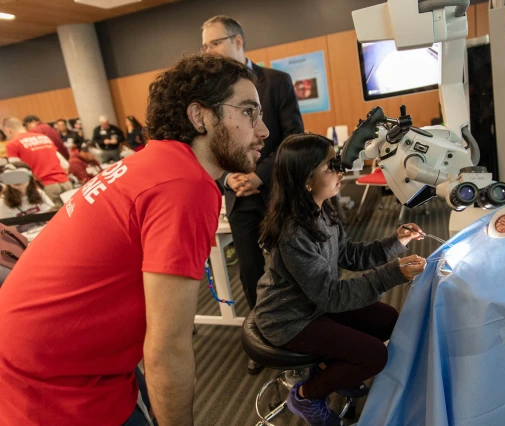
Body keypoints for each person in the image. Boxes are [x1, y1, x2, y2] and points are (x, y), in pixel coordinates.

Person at [0, 53, 268, 426]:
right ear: (200, 116)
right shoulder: (186, 184)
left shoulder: (152, 162)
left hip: (35, 361)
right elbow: (167, 350)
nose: (263, 130)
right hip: (57, 389)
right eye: (249, 112)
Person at [254, 133, 427, 426]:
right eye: (331, 165)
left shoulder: (322, 210)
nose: (341, 170)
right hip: (288, 319)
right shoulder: (294, 232)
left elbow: (349, 254)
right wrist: (393, 273)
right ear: (306, 179)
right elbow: (331, 296)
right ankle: (306, 396)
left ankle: (332, 370)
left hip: (314, 304)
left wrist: (396, 241)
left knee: (387, 319)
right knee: (374, 355)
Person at [202, 15, 304, 374]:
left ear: (238, 41)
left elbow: (294, 142)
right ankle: (262, 337)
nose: (208, 51)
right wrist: (228, 179)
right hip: (239, 196)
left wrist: (259, 175)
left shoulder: (276, 82)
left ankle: (302, 331)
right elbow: (207, 148)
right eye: (205, 45)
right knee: (250, 269)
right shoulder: (209, 97)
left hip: (276, 192)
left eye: (213, 43)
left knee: (293, 264)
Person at [2, 117, 72, 208]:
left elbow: (17, 173)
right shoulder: (43, 137)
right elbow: (65, 164)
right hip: (66, 183)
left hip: (45, 187)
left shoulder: (13, 144)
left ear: (8, 130)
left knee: (54, 219)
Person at [0, 162, 54, 231]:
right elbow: (10, 231)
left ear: (30, 177)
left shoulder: (39, 193)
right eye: (12, 177)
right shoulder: (3, 202)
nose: (17, 181)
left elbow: (49, 218)